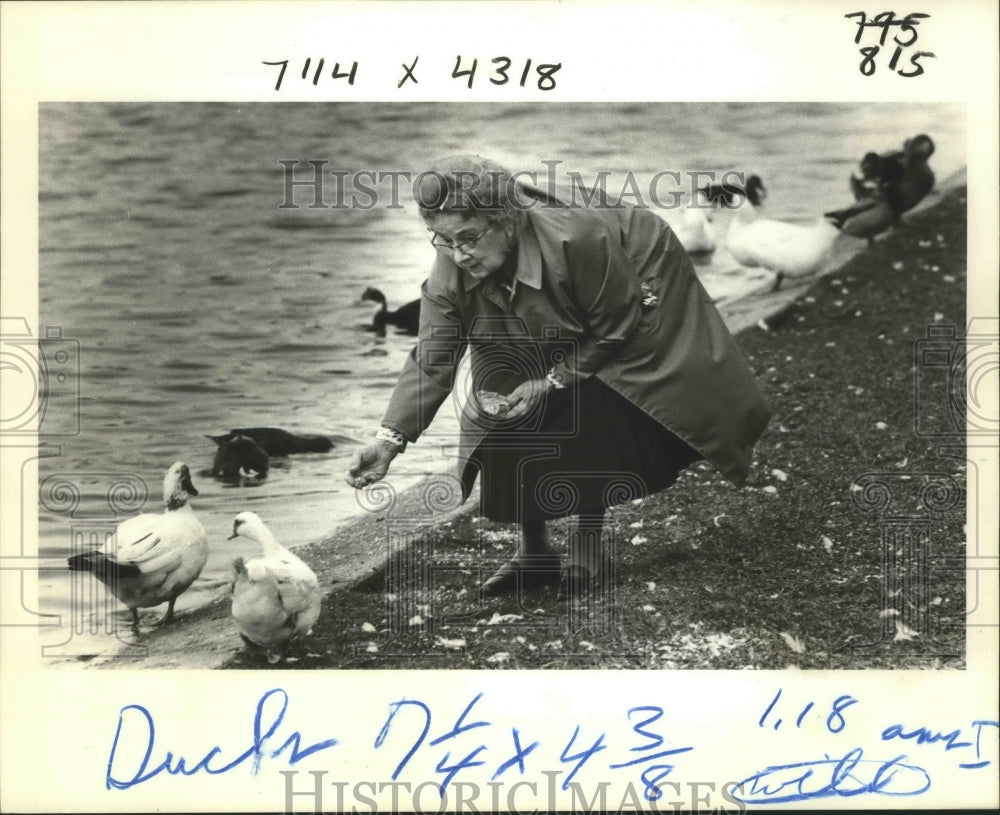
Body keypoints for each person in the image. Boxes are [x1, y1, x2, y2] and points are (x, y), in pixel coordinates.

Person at [346, 155, 771, 597]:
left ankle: (588, 544)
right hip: (551, 282)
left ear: (507, 222)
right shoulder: (452, 266)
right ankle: (535, 553)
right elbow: (432, 357)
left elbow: (611, 329)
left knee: (596, 389)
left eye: (468, 238)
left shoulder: (578, 238)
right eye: (443, 239)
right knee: (500, 392)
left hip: (631, 270)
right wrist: (389, 439)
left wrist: (552, 380)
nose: (458, 253)